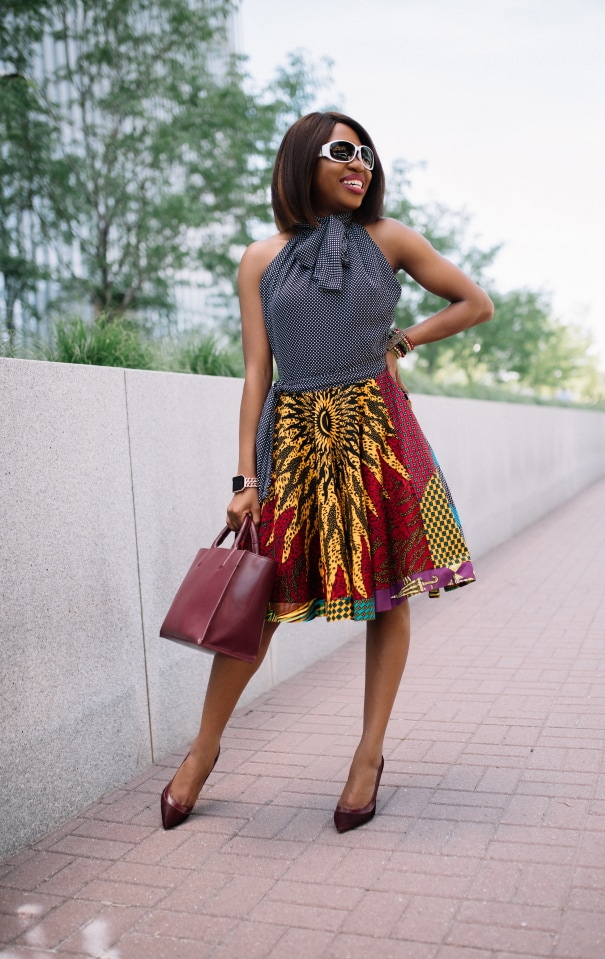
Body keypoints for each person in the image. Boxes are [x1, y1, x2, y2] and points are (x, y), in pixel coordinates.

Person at [161, 111, 493, 833]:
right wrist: (243, 479)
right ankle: (204, 750)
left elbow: (475, 303)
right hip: (299, 442)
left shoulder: (390, 239)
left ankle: (368, 755)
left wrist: (403, 338)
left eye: (367, 153)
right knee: (266, 594)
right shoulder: (260, 257)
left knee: (389, 593)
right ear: (304, 159)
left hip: (380, 436)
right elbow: (256, 373)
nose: (360, 163)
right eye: (343, 151)